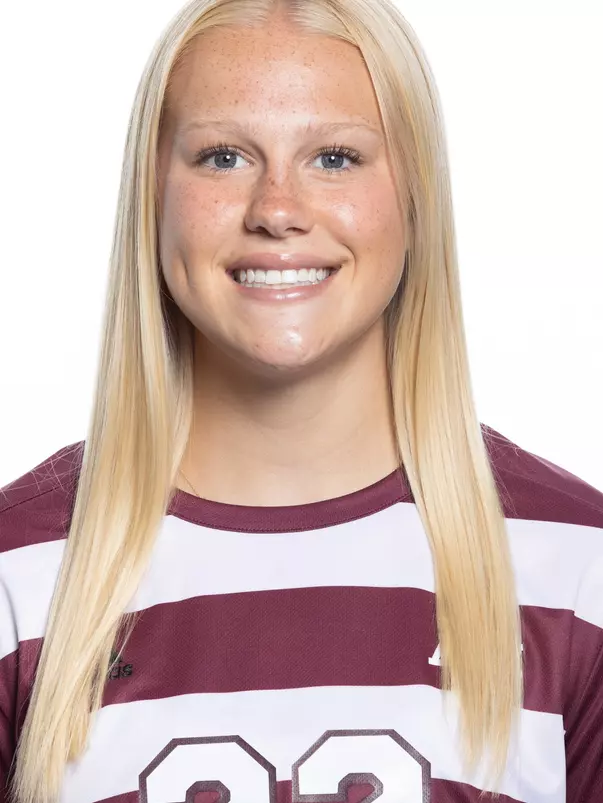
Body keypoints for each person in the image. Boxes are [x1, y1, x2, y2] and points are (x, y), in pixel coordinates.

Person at [1, 0, 602, 801]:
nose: (276, 209)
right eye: (221, 157)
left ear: (415, 197)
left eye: (335, 158)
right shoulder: (21, 572)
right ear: (152, 197)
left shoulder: (576, 571)